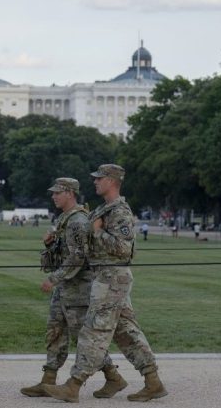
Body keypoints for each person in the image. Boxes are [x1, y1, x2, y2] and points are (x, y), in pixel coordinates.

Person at [45, 164, 166, 403]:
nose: (95, 182)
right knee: (126, 332)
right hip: (104, 278)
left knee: (93, 331)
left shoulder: (119, 211)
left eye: (99, 179)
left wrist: (98, 232)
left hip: (112, 278)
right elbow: (85, 245)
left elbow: (124, 249)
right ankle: (153, 381)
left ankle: (73, 385)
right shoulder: (103, 209)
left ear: (111, 181)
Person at [22, 178, 124, 399]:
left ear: (69, 193)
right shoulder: (64, 218)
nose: (53, 196)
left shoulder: (78, 220)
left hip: (78, 290)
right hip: (65, 288)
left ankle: (113, 377)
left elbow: (79, 257)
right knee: (55, 332)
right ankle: (48, 379)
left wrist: (54, 278)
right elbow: (64, 253)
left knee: (84, 338)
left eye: (57, 193)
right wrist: (50, 244)